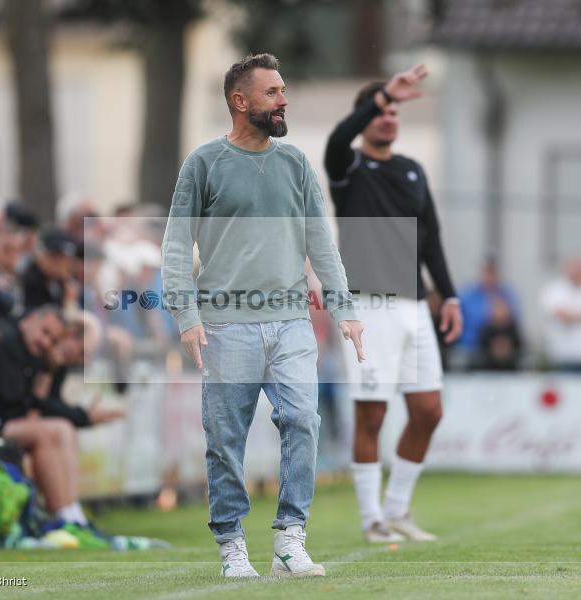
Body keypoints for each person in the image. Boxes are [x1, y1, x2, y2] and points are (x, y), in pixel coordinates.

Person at [162, 53, 362, 578]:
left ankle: (290, 538)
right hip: (225, 323)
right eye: (272, 92)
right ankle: (231, 544)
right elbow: (178, 245)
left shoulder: (295, 163)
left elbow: (321, 240)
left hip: (292, 320)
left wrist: (344, 308)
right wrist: (186, 314)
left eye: (283, 90)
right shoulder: (203, 164)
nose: (283, 100)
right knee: (225, 440)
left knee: (303, 420)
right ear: (240, 101)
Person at [324, 65, 463, 543]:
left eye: (394, 112)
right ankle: (371, 519)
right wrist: (383, 91)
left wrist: (451, 296)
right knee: (373, 416)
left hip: (415, 305)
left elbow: (433, 239)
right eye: (381, 111)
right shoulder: (347, 167)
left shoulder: (412, 169)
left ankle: (398, 510)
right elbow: (338, 138)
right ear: (364, 117)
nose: (389, 118)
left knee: (428, 412)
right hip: (368, 305)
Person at [0, 307, 115, 546]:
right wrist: (52, 381)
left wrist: (51, 376)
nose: (45, 342)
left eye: (52, 339)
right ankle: (62, 518)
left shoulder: (26, 350)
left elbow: (37, 406)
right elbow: (18, 407)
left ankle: (72, 513)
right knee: (51, 431)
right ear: (28, 322)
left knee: (61, 429)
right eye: (44, 333)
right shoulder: (6, 343)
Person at [458, 257, 521, 356]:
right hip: (471, 349)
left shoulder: (507, 294)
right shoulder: (468, 295)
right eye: (488, 271)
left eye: (493, 272)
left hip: (500, 352)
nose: (490, 276)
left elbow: (514, 321)